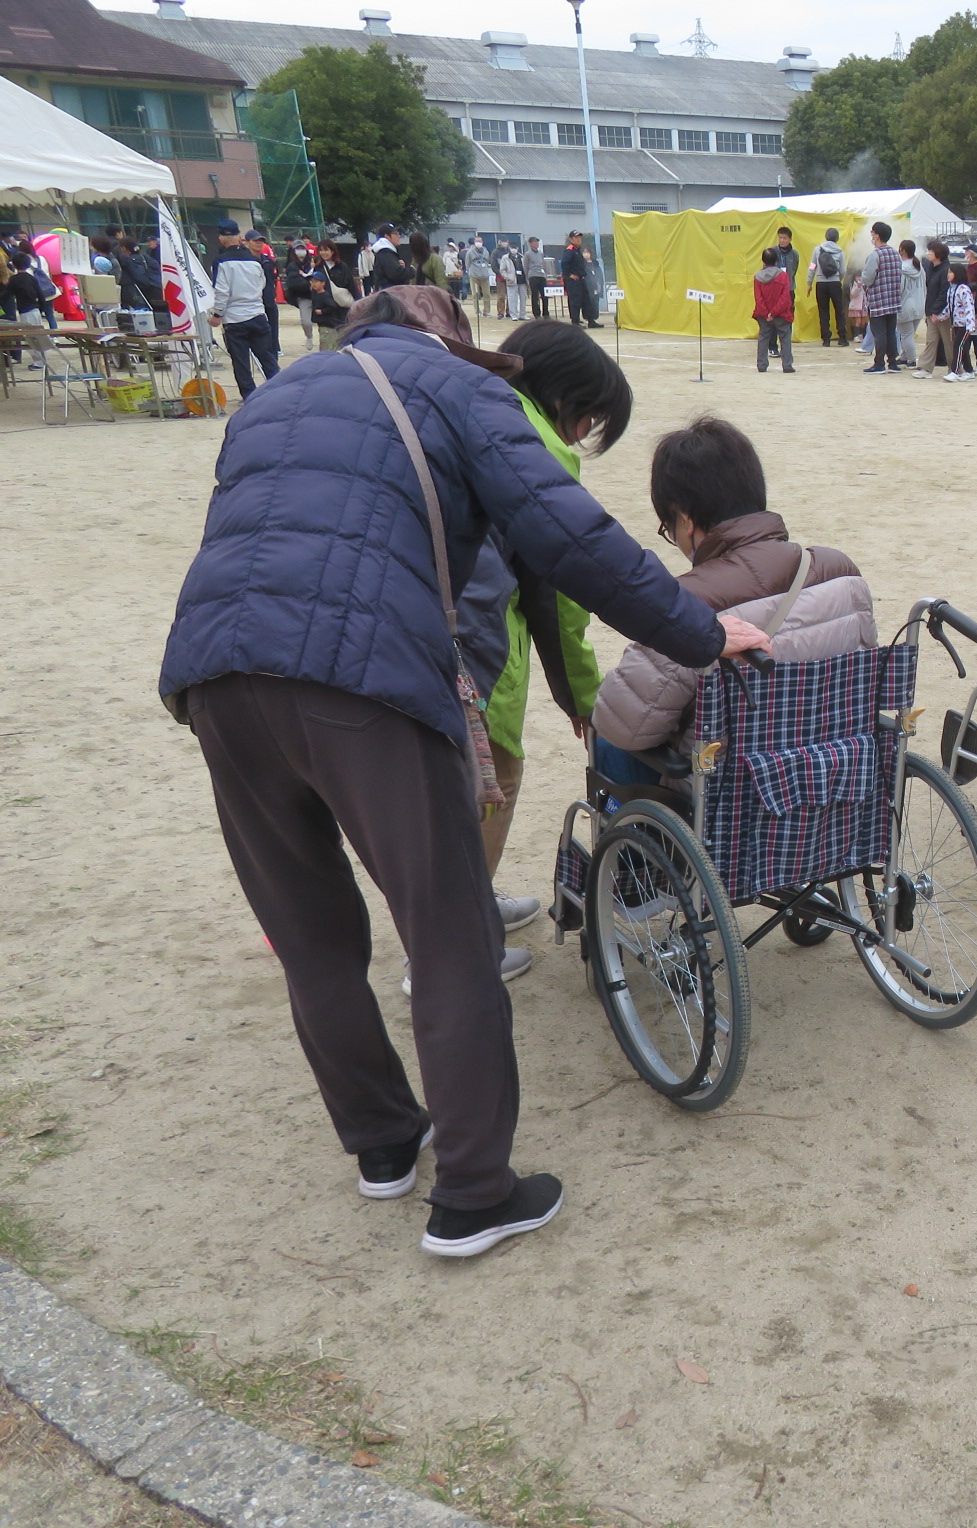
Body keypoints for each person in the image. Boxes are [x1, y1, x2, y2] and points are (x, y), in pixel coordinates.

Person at [159, 283, 770, 1258]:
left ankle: (384, 1148)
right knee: (449, 932)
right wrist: (698, 630)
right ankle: (476, 1195)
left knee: (315, 939)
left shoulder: (276, 391)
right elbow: (572, 540)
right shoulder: (458, 390)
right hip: (363, 683)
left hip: (215, 675)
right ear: (450, 342)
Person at [455, 318, 628, 971]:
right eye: (590, 420)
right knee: (491, 780)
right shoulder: (539, 449)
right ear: (564, 400)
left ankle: (468, 900)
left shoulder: (473, 410)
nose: (583, 437)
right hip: (475, 648)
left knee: (455, 786)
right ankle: (454, 943)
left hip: (420, 635)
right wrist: (584, 696)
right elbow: (563, 593)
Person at [591, 415, 875, 778]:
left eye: (669, 527)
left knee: (605, 743)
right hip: (829, 777)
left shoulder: (683, 605)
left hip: (730, 797)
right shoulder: (842, 573)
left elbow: (624, 727)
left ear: (686, 519)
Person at [209, 220, 281, 400]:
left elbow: (222, 291)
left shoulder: (221, 262)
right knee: (267, 358)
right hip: (257, 313)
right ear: (240, 238)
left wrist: (217, 314)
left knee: (241, 363)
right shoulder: (255, 260)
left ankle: (250, 396)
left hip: (235, 318)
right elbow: (262, 284)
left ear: (221, 239)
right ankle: (281, 390)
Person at [859, 221, 903, 375]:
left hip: (878, 300)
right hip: (893, 299)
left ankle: (879, 364)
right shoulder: (895, 253)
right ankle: (892, 363)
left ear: (877, 235)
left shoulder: (875, 255)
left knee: (879, 333)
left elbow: (868, 278)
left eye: (872, 233)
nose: (871, 235)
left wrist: (863, 282)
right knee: (891, 332)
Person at [752, 246, 795, 373]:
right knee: (785, 337)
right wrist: (774, 312)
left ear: (763, 261)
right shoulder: (783, 276)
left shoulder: (757, 277)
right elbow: (785, 297)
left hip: (764, 315)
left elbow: (758, 298)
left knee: (763, 337)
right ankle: (787, 365)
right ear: (776, 260)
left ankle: (761, 364)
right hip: (781, 314)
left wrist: (767, 313)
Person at [916, 238, 953, 377]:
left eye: (931, 251)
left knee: (948, 342)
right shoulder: (931, 268)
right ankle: (925, 368)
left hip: (942, 313)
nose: (928, 253)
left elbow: (944, 293)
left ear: (938, 253)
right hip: (931, 312)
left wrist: (936, 311)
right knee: (931, 341)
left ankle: (955, 368)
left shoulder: (945, 270)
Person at [809, 226, 848, 346]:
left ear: (826, 237)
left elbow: (812, 267)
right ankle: (842, 338)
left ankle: (826, 339)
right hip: (835, 283)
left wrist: (809, 282)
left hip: (821, 283)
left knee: (823, 311)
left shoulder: (817, 250)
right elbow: (842, 270)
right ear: (837, 238)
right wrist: (838, 280)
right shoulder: (840, 251)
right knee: (839, 310)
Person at [943, 262, 977, 383]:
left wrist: (970, 325)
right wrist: (940, 316)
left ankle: (955, 371)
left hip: (965, 324)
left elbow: (969, 307)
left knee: (957, 346)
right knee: (963, 348)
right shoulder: (951, 289)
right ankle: (969, 371)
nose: (948, 274)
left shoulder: (964, 289)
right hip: (956, 324)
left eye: (950, 272)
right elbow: (949, 307)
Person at [765, 226, 798, 356]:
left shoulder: (794, 254)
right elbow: (766, 270)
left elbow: (794, 270)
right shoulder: (772, 252)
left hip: (788, 290)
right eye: (780, 237)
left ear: (790, 239)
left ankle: (786, 347)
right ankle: (772, 346)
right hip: (775, 291)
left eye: (785, 238)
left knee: (787, 318)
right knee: (772, 318)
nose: (782, 240)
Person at [560, 231, 601, 328]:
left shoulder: (578, 250)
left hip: (582, 279)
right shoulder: (570, 250)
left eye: (579, 238)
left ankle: (591, 321)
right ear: (571, 239)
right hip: (574, 281)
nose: (579, 239)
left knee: (586, 301)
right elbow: (564, 263)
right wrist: (569, 275)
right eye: (576, 238)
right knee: (575, 301)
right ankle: (575, 322)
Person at [897, 238, 921, 368]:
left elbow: (899, 288)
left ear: (903, 251)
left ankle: (911, 360)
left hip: (905, 305)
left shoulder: (902, 268)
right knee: (909, 334)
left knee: (906, 335)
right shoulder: (919, 266)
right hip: (919, 304)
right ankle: (904, 357)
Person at [367, 224, 413, 291]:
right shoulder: (385, 253)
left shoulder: (386, 252)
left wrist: (399, 266)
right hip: (389, 297)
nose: (399, 236)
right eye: (395, 234)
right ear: (387, 237)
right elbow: (396, 274)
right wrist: (412, 270)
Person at [523, 237, 550, 320]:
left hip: (542, 275)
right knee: (535, 296)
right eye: (534, 242)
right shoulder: (527, 254)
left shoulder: (540, 253)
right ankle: (537, 314)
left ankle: (546, 313)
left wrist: (545, 274)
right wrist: (527, 278)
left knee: (545, 295)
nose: (536, 244)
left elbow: (543, 264)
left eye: (537, 242)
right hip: (533, 276)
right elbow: (525, 266)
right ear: (530, 244)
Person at [499, 242, 525, 321]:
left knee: (523, 298)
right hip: (512, 280)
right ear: (509, 248)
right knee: (512, 298)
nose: (514, 249)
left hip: (522, 280)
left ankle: (522, 314)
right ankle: (513, 314)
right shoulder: (505, 258)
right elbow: (502, 270)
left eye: (515, 248)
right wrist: (507, 277)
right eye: (512, 248)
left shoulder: (522, 257)